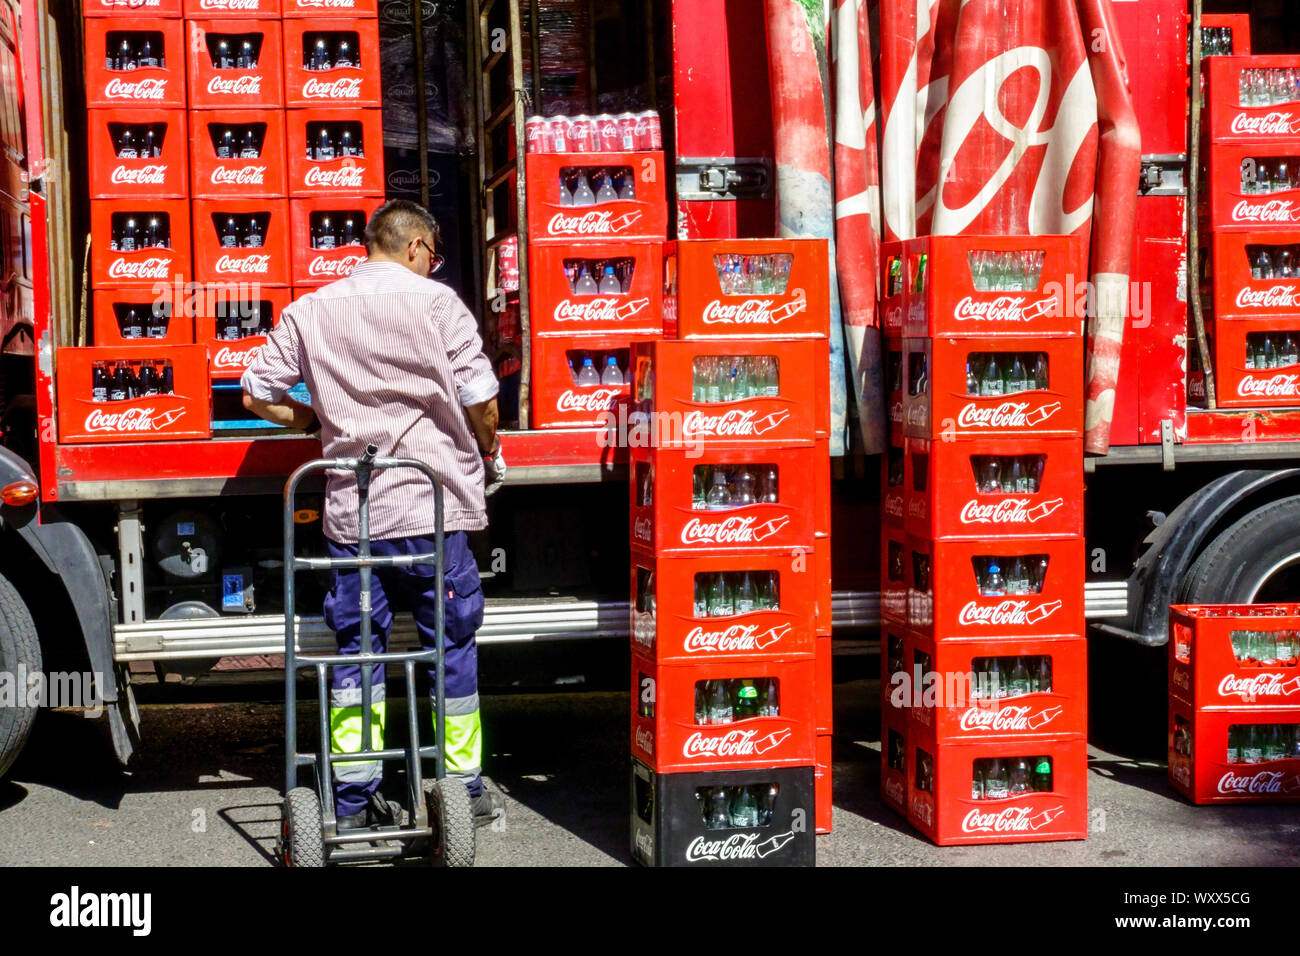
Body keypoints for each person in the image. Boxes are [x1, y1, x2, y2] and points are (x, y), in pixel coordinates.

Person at [240, 199, 507, 830]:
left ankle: (354, 802)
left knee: (357, 652)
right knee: (453, 643)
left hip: (352, 516)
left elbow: (255, 392)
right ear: (416, 247)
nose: (432, 265)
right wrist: (491, 452)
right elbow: (483, 403)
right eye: (432, 255)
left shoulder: (311, 310)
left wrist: (312, 420)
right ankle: (462, 789)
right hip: (430, 509)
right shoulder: (439, 305)